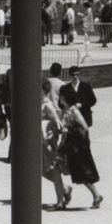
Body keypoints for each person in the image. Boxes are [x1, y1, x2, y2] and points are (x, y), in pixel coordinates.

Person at [56, 87, 104, 208]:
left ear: (65, 97)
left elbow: (84, 127)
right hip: (66, 145)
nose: (59, 97)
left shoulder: (73, 110)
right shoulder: (65, 110)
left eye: (61, 95)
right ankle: (65, 191)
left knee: (80, 171)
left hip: (75, 146)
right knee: (58, 168)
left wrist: (75, 136)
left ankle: (95, 194)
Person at [40, 79, 70, 208]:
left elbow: (58, 123)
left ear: (43, 90)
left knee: (53, 169)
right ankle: (64, 188)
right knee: (42, 170)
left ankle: (60, 201)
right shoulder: (39, 103)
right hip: (40, 140)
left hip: (48, 141)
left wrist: (53, 138)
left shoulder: (48, 105)